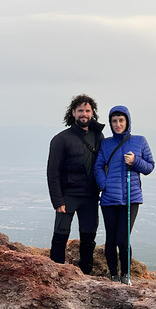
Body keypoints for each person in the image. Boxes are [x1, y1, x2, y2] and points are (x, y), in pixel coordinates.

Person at [93, 106, 155, 284]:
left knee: (123, 238)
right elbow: (98, 166)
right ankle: (113, 275)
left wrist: (135, 161)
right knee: (110, 239)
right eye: (114, 121)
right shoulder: (106, 144)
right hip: (109, 199)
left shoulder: (140, 141)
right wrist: (104, 184)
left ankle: (125, 275)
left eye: (121, 120)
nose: (118, 124)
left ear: (127, 121)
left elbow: (150, 167)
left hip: (131, 197)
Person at [46, 94, 105, 274]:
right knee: (60, 235)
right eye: (80, 110)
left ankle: (86, 273)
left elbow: (104, 164)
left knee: (88, 237)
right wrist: (57, 200)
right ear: (73, 112)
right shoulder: (61, 139)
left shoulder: (98, 136)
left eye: (87, 111)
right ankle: (55, 272)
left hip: (90, 195)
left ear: (92, 113)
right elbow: (52, 171)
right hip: (68, 195)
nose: (84, 114)